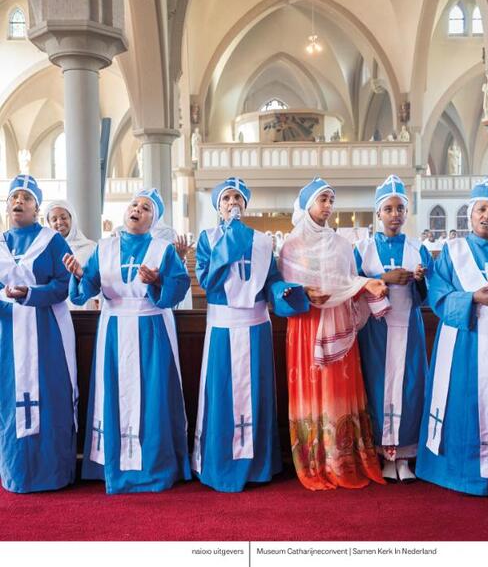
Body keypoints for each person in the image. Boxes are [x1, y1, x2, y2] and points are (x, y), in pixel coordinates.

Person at [64, 188, 191, 494]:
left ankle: (156, 465)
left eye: (145, 208)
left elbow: (178, 286)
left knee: (153, 393)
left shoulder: (163, 249)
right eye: (134, 204)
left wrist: (158, 281)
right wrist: (80, 274)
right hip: (115, 330)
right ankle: (113, 464)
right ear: (125, 211)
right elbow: (88, 288)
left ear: (153, 219)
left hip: (152, 328)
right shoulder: (104, 248)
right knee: (114, 393)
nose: (137, 209)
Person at [193, 177, 308, 492]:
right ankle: (220, 461)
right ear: (218, 207)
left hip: (256, 326)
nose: (233, 203)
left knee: (255, 394)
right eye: (227, 199)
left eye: (238, 199)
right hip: (223, 329)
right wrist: (232, 236)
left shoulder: (261, 242)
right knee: (222, 394)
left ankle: (258, 465)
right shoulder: (208, 238)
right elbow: (209, 281)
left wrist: (283, 290)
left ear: (245, 205)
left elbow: (271, 279)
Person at [279, 177, 389, 491]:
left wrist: (367, 286)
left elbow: (349, 282)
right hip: (305, 326)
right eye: (322, 200)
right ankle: (316, 461)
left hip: (338, 324)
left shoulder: (342, 245)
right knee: (313, 392)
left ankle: (343, 459)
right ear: (307, 204)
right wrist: (303, 293)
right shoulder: (291, 246)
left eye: (331, 200)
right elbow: (284, 290)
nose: (328, 206)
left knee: (339, 391)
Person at [416, 176, 488, 496]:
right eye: (482, 209)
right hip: (464, 342)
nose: (487, 216)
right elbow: (438, 295)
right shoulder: (453, 251)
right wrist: (473, 299)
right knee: (464, 403)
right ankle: (460, 472)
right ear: (471, 212)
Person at [0, 175, 77, 493]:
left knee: (51, 397)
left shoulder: (52, 240)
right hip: (8, 334)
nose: (18, 202)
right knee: (8, 400)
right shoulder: (1, 242)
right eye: (13, 198)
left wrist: (30, 295)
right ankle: (17, 472)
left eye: (26, 198)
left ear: (36, 207)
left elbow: (64, 284)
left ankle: (54, 472)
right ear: (7, 207)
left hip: (47, 332)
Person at [354, 175, 433, 482]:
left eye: (400, 208)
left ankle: (404, 457)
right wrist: (385, 279)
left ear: (406, 212)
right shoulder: (363, 248)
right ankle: (383, 454)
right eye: (388, 209)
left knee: (411, 388)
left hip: (408, 327)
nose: (395, 214)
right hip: (377, 330)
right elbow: (353, 286)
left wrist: (420, 279)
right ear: (378, 213)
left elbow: (429, 295)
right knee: (378, 387)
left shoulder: (418, 248)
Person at [45, 199, 98, 310]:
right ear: (49, 224)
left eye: (63, 217)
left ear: (72, 219)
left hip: (83, 309)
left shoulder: (91, 248)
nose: (59, 222)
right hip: (56, 308)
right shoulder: (46, 250)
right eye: (54, 219)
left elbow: (97, 280)